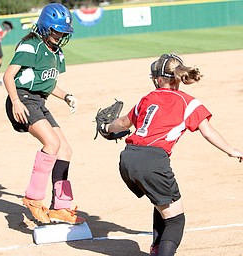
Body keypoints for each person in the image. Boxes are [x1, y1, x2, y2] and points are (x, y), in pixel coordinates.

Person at [102, 53, 243, 256]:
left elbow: (123, 123)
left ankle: (157, 248)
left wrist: (107, 128)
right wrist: (231, 150)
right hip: (153, 162)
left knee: (161, 200)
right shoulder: (188, 102)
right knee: (176, 220)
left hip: (127, 158)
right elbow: (207, 130)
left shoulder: (147, 98)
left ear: (159, 79)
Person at [3, 3, 85, 225]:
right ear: (46, 28)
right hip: (22, 98)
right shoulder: (32, 46)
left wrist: (67, 96)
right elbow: (8, 76)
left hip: (38, 101)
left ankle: (60, 206)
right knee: (51, 144)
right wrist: (16, 102)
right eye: (57, 31)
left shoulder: (57, 53)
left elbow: (47, 85)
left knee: (65, 149)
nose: (60, 35)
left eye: (63, 32)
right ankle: (33, 198)